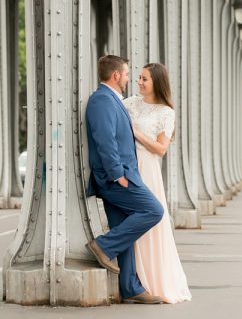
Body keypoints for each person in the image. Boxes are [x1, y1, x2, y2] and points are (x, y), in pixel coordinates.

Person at [85, 55, 165, 304]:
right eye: (128, 74)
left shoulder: (112, 100)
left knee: (125, 229)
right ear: (116, 75)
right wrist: (117, 174)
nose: (130, 78)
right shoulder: (102, 100)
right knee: (154, 210)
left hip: (122, 175)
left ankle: (130, 287)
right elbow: (105, 140)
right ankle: (103, 246)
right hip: (115, 178)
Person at [123, 63, 192, 304]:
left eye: (144, 79)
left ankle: (151, 281)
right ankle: (134, 279)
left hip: (148, 168)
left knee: (150, 221)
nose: (139, 82)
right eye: (139, 78)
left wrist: (136, 133)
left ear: (157, 83)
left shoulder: (166, 112)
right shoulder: (130, 103)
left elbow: (161, 149)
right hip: (129, 164)